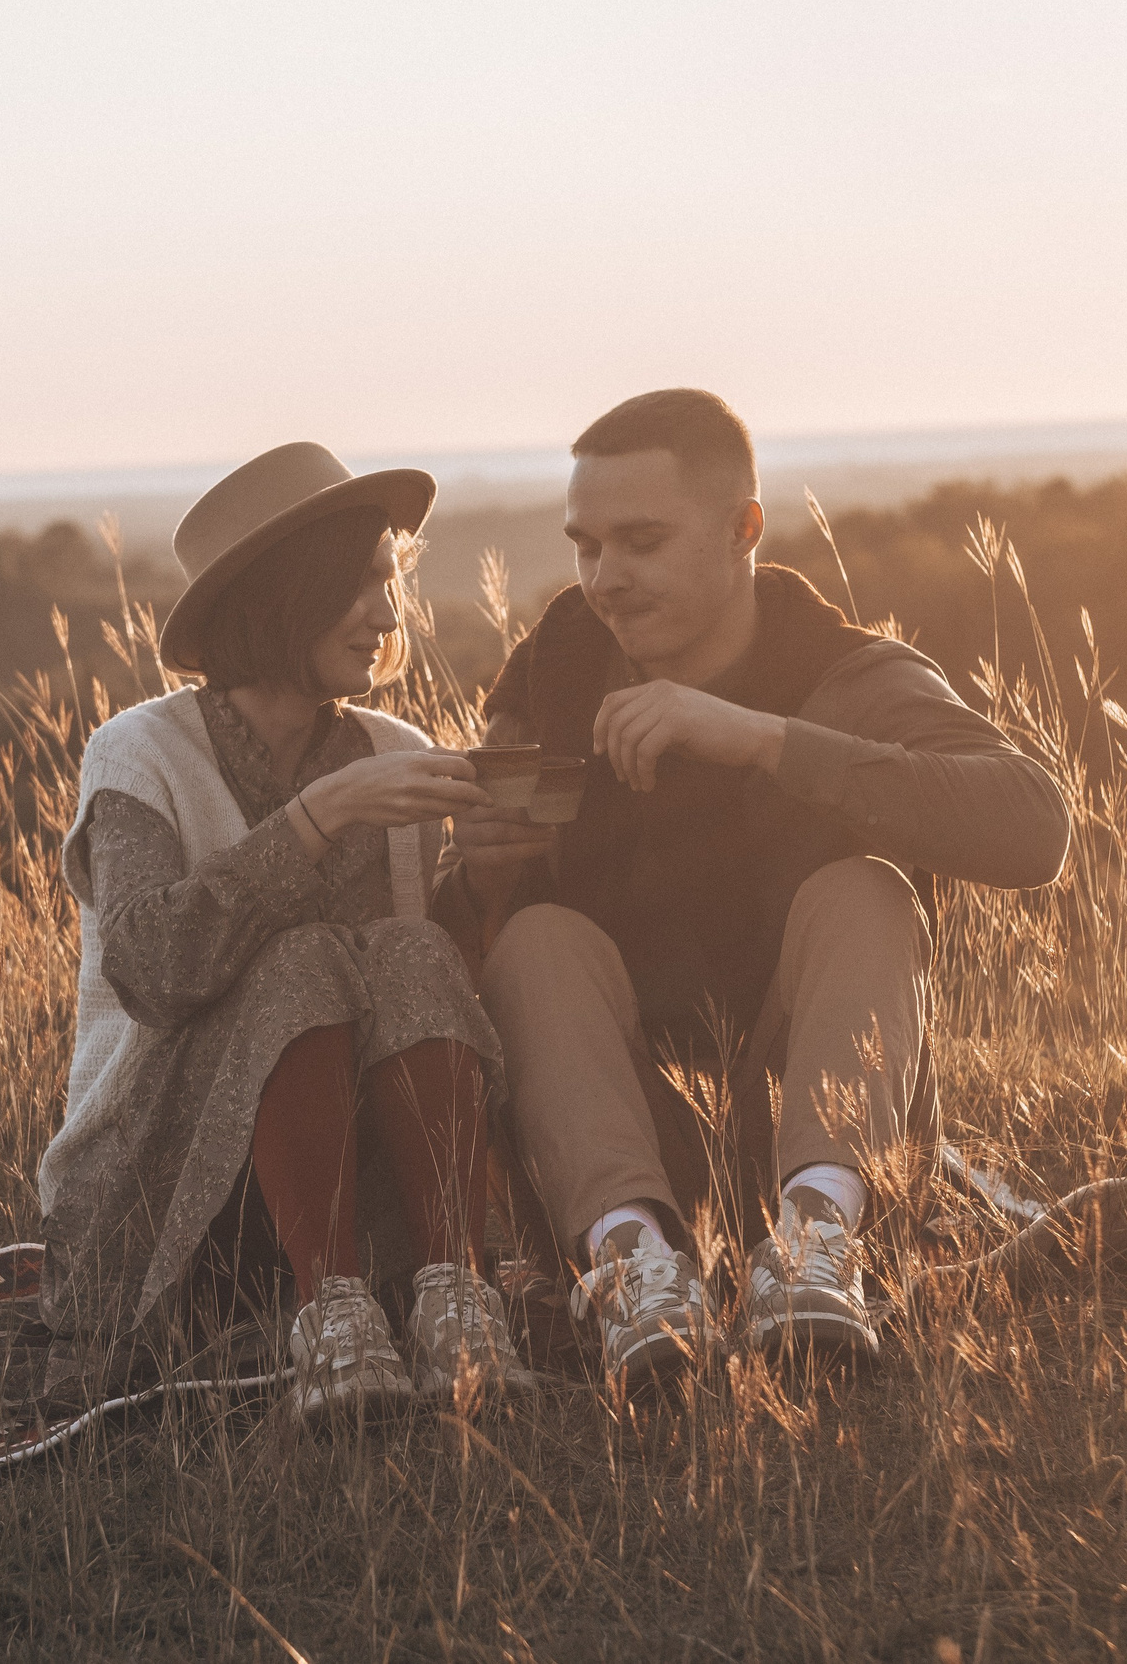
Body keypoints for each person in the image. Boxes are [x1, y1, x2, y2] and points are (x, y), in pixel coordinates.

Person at [437, 390, 1071, 1384]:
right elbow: (467, 967)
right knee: (536, 939)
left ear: (745, 530)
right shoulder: (555, 674)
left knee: (863, 891)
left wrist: (764, 741)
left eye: (640, 542)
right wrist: (476, 870)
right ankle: (630, 1272)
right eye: (586, 546)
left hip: (816, 1127)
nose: (606, 579)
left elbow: (1035, 827)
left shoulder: (846, 671)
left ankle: (819, 1248)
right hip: (620, 1144)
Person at [39, 441, 538, 1425]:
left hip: (364, 1192)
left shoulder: (396, 755)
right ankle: (331, 1318)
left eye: (389, 586)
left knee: (407, 950)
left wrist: (487, 876)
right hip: (166, 1195)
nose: (389, 617)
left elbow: (430, 996)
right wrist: (319, 819)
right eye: (359, 586)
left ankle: (450, 1295)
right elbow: (151, 968)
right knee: (303, 957)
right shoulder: (138, 754)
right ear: (280, 595)